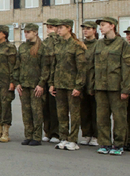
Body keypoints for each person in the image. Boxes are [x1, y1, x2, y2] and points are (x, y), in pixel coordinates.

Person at [91, 17, 130, 156]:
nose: (100, 28)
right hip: (100, 87)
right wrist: (92, 85)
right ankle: (105, 143)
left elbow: (128, 68)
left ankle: (119, 144)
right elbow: (92, 66)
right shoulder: (99, 44)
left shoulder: (122, 44)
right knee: (102, 117)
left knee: (119, 117)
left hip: (116, 88)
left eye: (103, 25)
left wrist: (126, 88)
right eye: (100, 26)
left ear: (112, 26)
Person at [50, 19, 86, 151]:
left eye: (61, 28)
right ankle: (63, 138)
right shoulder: (58, 45)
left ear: (69, 28)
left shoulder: (77, 46)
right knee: (61, 113)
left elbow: (81, 68)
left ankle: (73, 139)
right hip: (60, 84)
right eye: (57, 28)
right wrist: (52, 83)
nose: (58, 30)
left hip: (72, 85)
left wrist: (78, 86)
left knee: (74, 114)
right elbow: (55, 65)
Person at [14, 23, 49, 146]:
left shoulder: (42, 47)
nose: (26, 34)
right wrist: (17, 82)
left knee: (37, 112)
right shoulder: (22, 47)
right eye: (25, 32)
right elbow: (17, 66)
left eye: (28, 32)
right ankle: (28, 135)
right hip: (24, 84)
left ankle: (37, 136)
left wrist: (41, 84)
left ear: (35, 32)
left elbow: (45, 68)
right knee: (26, 111)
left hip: (36, 85)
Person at [80, 22, 99, 146]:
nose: (85, 31)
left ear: (94, 30)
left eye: (88, 29)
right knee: (84, 110)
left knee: (96, 110)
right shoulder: (81, 45)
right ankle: (86, 134)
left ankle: (96, 136)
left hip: (95, 82)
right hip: (82, 82)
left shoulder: (99, 45)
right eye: (84, 29)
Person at [42, 19, 61, 143]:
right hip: (45, 78)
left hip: (55, 79)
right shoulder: (45, 42)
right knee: (45, 108)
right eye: (48, 27)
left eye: (50, 27)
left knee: (55, 108)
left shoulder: (58, 41)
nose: (48, 30)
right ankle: (47, 131)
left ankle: (56, 133)